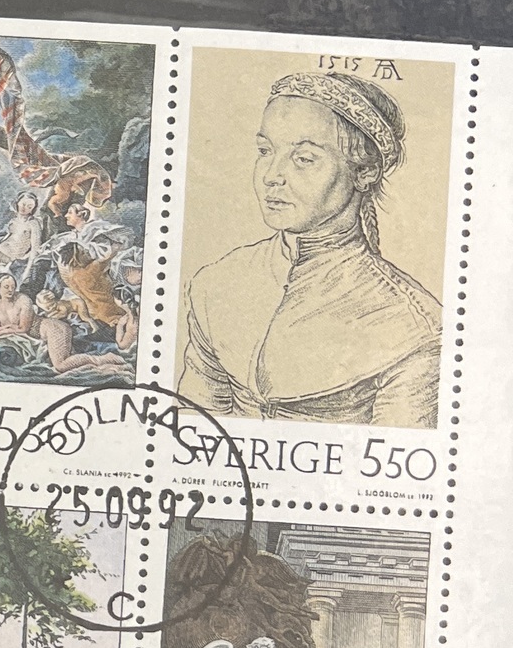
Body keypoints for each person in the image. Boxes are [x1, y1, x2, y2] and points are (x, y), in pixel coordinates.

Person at [179, 74, 441, 426]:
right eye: (265, 151)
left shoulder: (413, 325)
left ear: (365, 172)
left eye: (303, 158)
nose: (272, 175)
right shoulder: (216, 283)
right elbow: (190, 426)